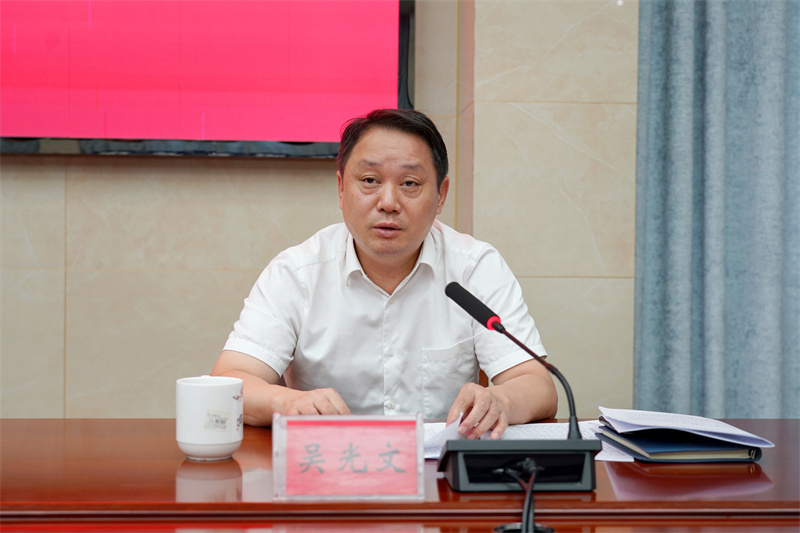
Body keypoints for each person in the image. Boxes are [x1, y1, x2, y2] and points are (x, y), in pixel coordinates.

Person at [211, 108, 557, 440]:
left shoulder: (475, 266)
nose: (388, 202)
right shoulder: (297, 273)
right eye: (369, 180)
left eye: (409, 183)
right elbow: (230, 381)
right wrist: (288, 403)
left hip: (439, 473)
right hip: (328, 466)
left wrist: (500, 401)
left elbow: (538, 383)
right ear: (341, 189)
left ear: (441, 196)